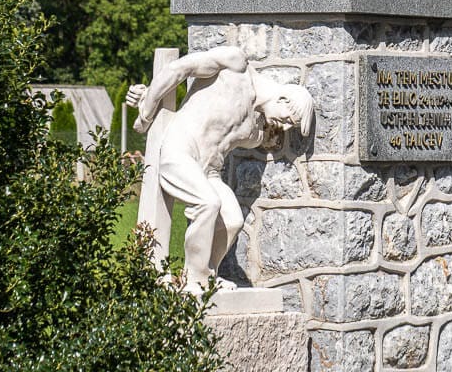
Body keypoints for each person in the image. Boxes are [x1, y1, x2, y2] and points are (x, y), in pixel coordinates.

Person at [125, 45, 314, 294]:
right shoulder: (234, 65)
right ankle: (193, 280)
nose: (284, 128)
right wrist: (146, 109)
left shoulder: (255, 131)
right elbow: (179, 68)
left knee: (233, 220)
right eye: (289, 120)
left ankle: (206, 275)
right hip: (180, 149)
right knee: (209, 203)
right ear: (283, 100)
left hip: (209, 171)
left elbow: (252, 133)